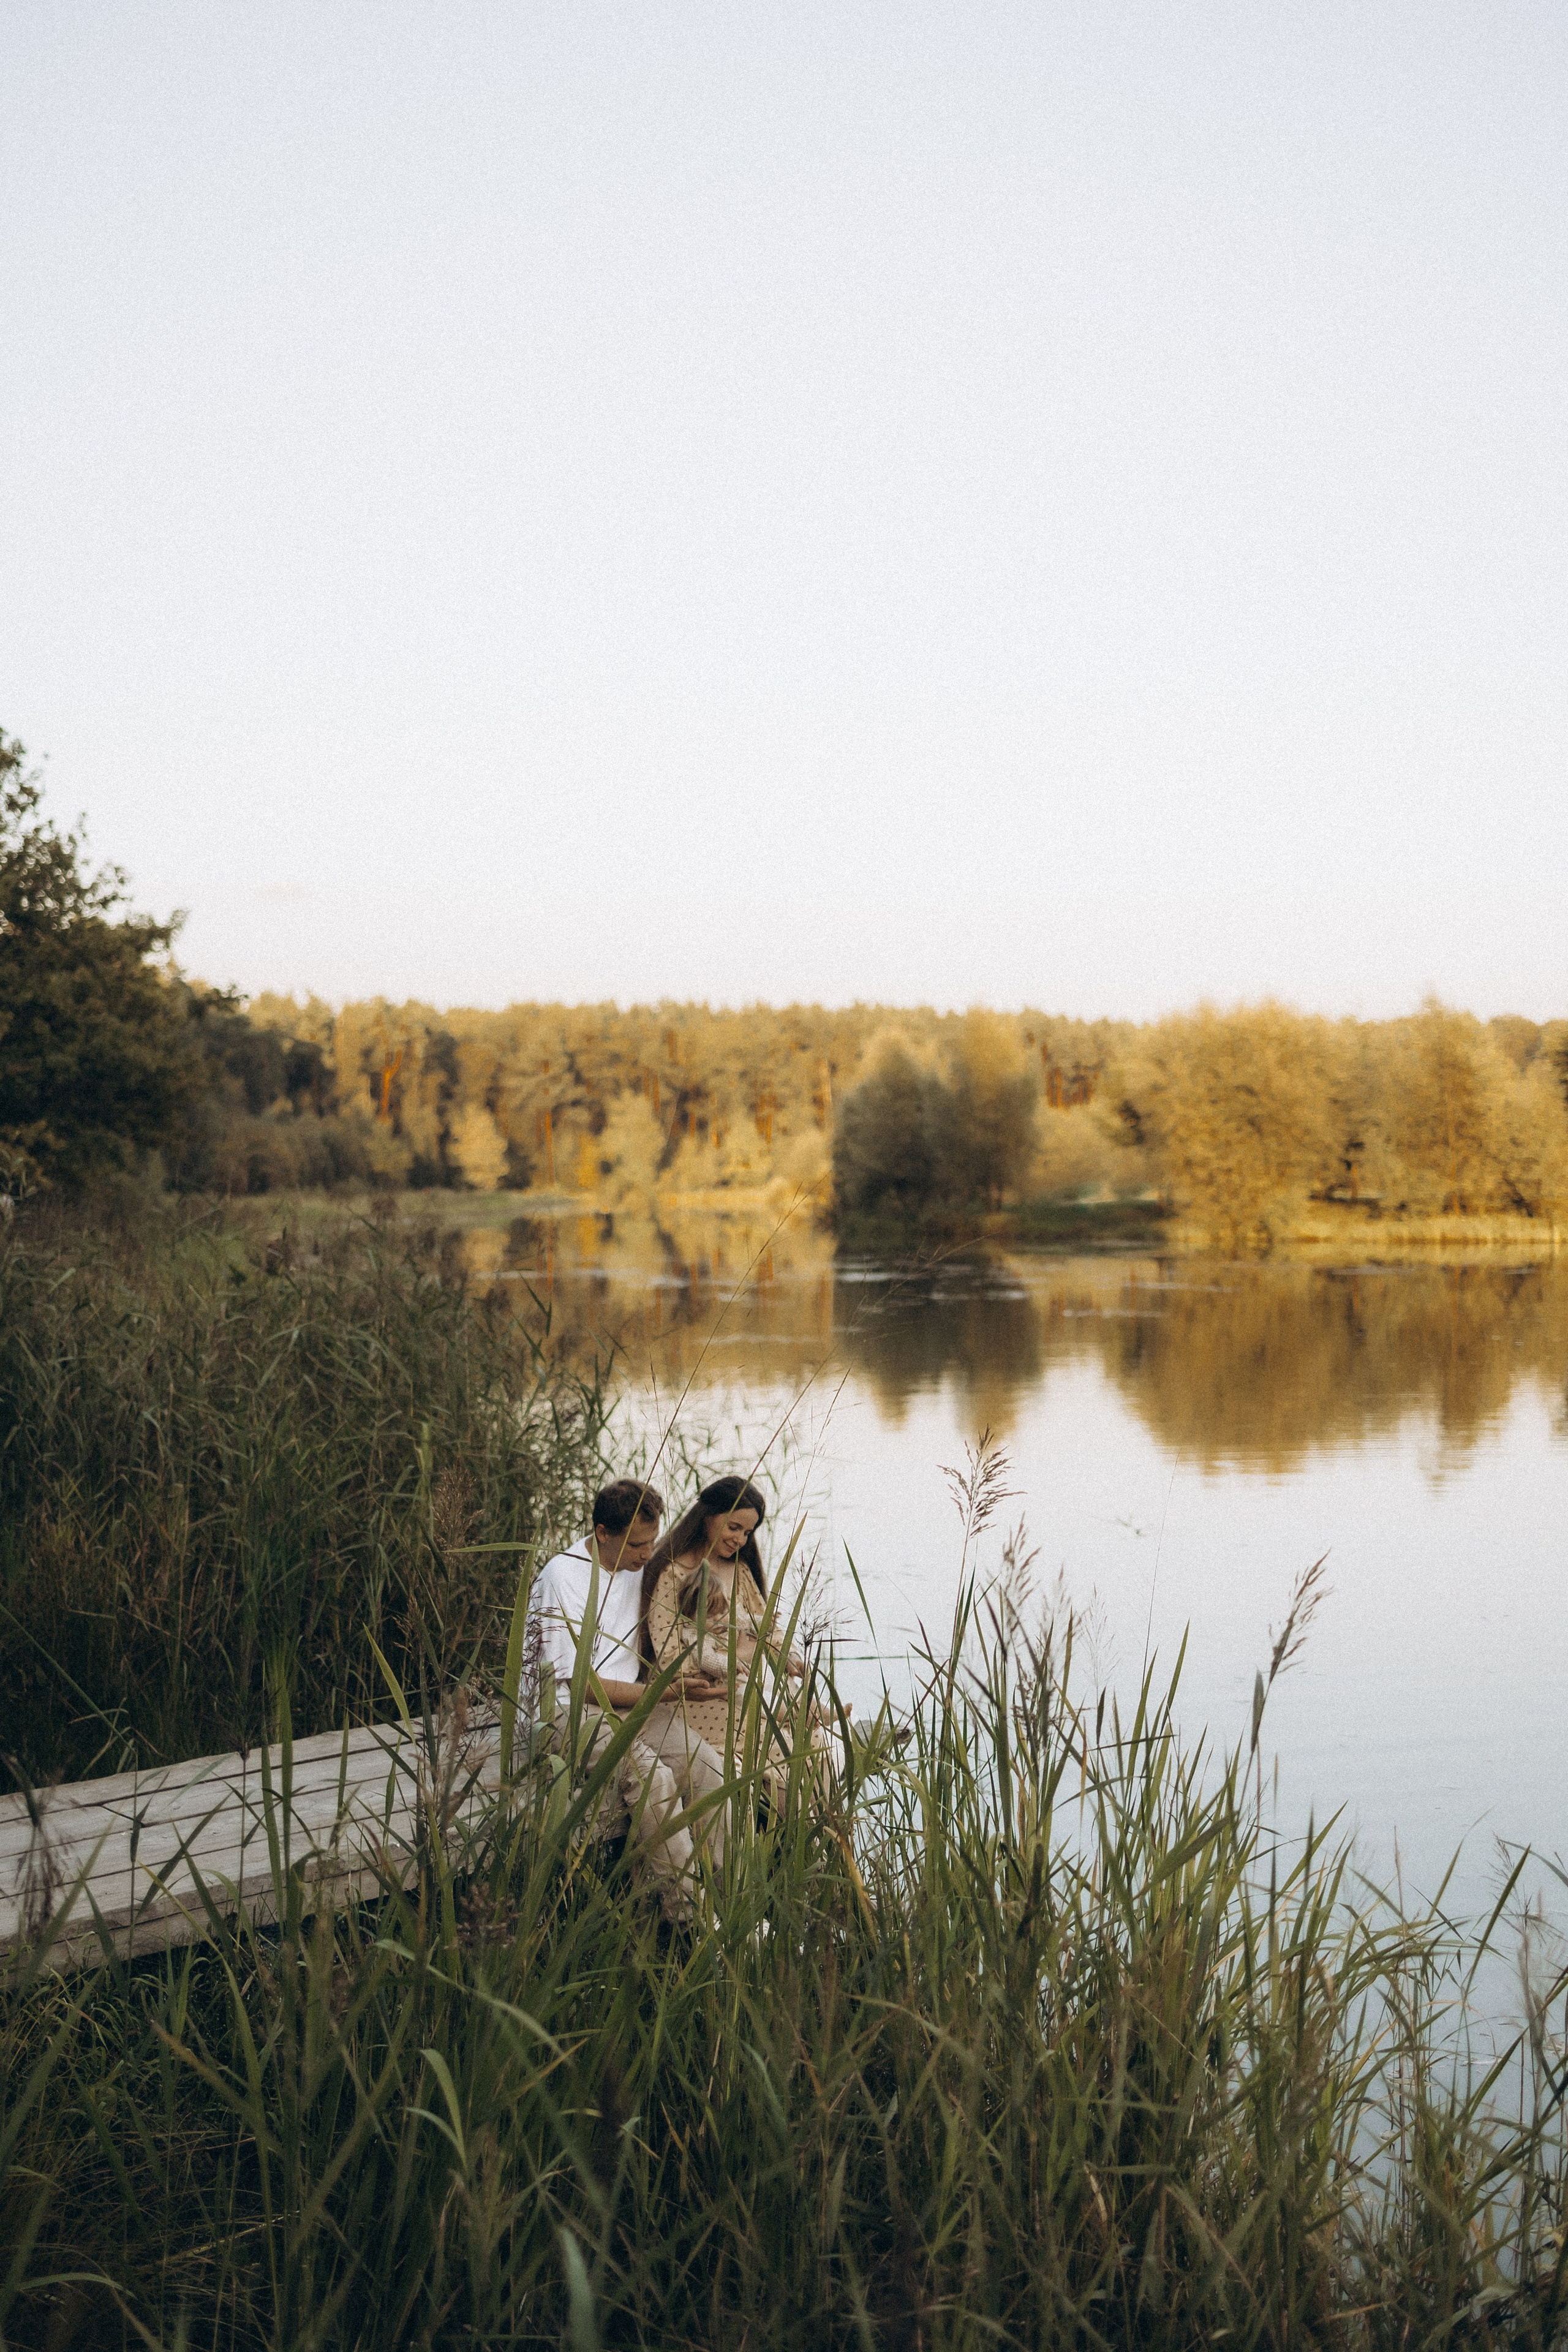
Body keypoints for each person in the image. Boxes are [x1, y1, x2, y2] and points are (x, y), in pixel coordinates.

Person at [524, 1477, 730, 1922]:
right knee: (651, 1777)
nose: (646, 1553)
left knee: (707, 1765)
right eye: (637, 1544)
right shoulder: (563, 1576)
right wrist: (665, 1691)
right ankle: (689, 1919)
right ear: (603, 1533)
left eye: (652, 1541)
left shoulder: (639, 1569)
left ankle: (719, 1896)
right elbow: (581, 1685)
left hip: (628, 1703)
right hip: (565, 1709)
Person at [639, 1476, 816, 1804]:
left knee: (814, 1743)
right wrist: (745, 1652)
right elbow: (672, 1659)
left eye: (748, 1533)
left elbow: (768, 1628)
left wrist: (786, 1654)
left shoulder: (741, 1571)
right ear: (709, 1515)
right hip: (701, 1700)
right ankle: (780, 1833)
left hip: (746, 1687)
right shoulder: (674, 1573)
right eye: (734, 1527)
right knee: (784, 1751)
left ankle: (808, 1838)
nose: (740, 1539)